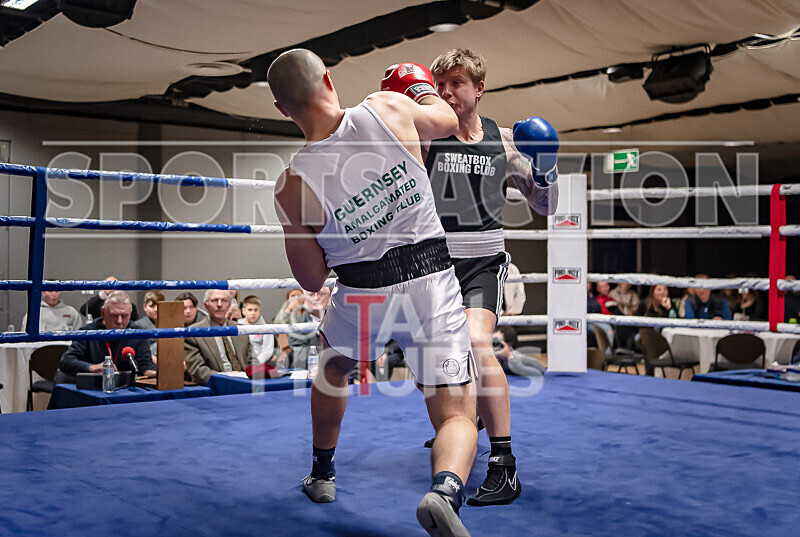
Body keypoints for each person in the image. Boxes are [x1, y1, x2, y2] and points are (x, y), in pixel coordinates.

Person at [269, 49, 476, 536]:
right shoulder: (385, 107)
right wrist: (419, 86)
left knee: (332, 366)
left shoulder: (291, 185)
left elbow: (311, 279)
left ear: (283, 110)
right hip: (431, 280)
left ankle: (322, 473)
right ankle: (445, 490)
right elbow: (449, 119)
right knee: (455, 411)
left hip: (362, 289)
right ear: (328, 80)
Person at [423, 48, 559, 507]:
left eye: (456, 83)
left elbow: (546, 206)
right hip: (435, 267)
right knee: (434, 364)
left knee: (479, 345)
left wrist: (546, 168)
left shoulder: (502, 142)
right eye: (440, 84)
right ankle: (462, 425)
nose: (446, 92)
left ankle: (504, 466)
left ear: (478, 88)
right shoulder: (424, 138)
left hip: (483, 263)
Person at [58, 291, 156, 380]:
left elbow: (145, 365)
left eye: (124, 316)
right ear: (103, 313)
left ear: (130, 314)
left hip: (126, 388)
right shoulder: (88, 332)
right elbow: (66, 361)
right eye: (114, 315)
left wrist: (155, 373)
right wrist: (91, 367)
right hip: (95, 387)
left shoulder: (137, 333)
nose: (119, 321)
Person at [184, 290, 256, 385]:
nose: (219, 304)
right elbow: (198, 371)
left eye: (224, 300)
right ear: (205, 306)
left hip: (246, 383)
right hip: (216, 387)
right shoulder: (193, 332)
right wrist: (227, 379)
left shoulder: (240, 330)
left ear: (230, 305)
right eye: (214, 300)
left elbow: (252, 360)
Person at [238, 295, 275, 364]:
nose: (253, 313)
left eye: (256, 310)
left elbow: (267, 350)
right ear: (243, 311)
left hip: (258, 363)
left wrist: (256, 363)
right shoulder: (237, 325)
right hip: (239, 363)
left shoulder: (266, 328)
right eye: (250, 310)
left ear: (259, 310)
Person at [133, 290, 165, 360]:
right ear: (145, 307)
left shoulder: (169, 324)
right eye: (152, 306)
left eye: (159, 306)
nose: (156, 309)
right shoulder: (138, 325)